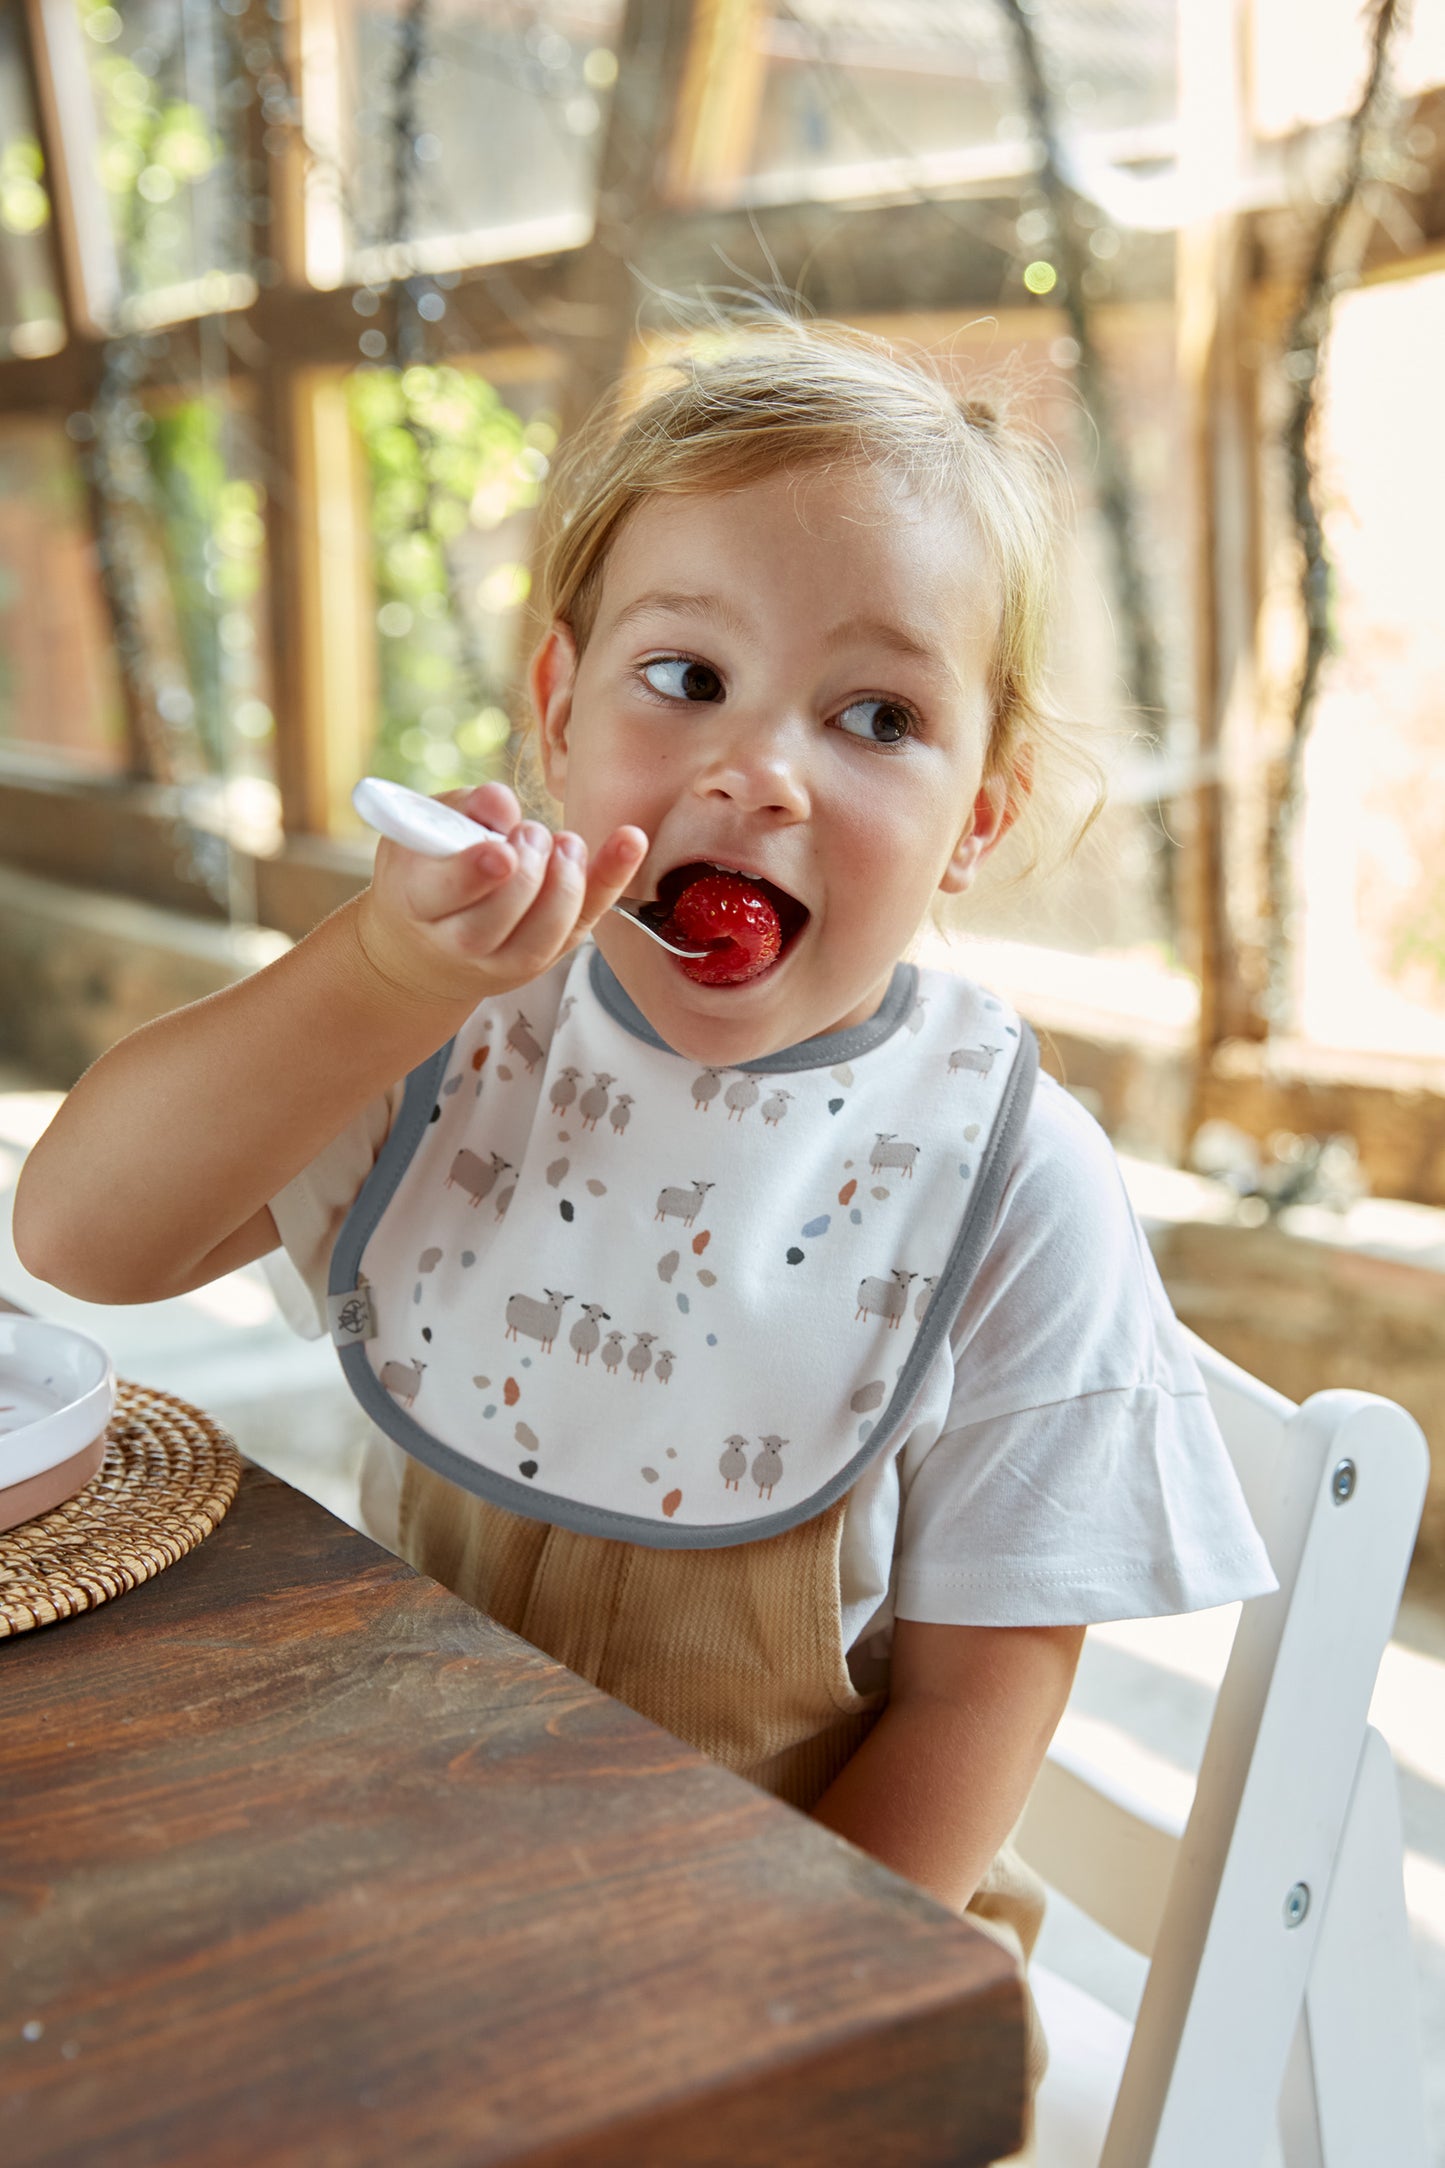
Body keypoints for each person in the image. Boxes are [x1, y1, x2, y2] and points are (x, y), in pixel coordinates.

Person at [14, 314, 1274, 2131]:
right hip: (421, 1878)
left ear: (976, 817)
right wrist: (375, 976)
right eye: (686, 677)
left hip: (800, 1952)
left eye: (877, 718)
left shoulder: (1008, 1179)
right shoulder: (463, 1035)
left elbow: (973, 1713)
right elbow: (84, 1236)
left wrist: (757, 2018)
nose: (759, 771)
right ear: (557, 709)